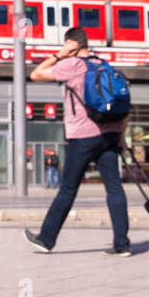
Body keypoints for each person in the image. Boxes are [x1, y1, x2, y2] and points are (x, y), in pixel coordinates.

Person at [23, 28, 130, 256]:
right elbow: (123, 104)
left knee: (68, 189)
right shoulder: (104, 65)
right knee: (114, 188)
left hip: (82, 137)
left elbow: (36, 74)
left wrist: (60, 54)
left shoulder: (71, 65)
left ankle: (46, 239)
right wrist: (121, 136)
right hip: (110, 135)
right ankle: (122, 244)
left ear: (71, 44)